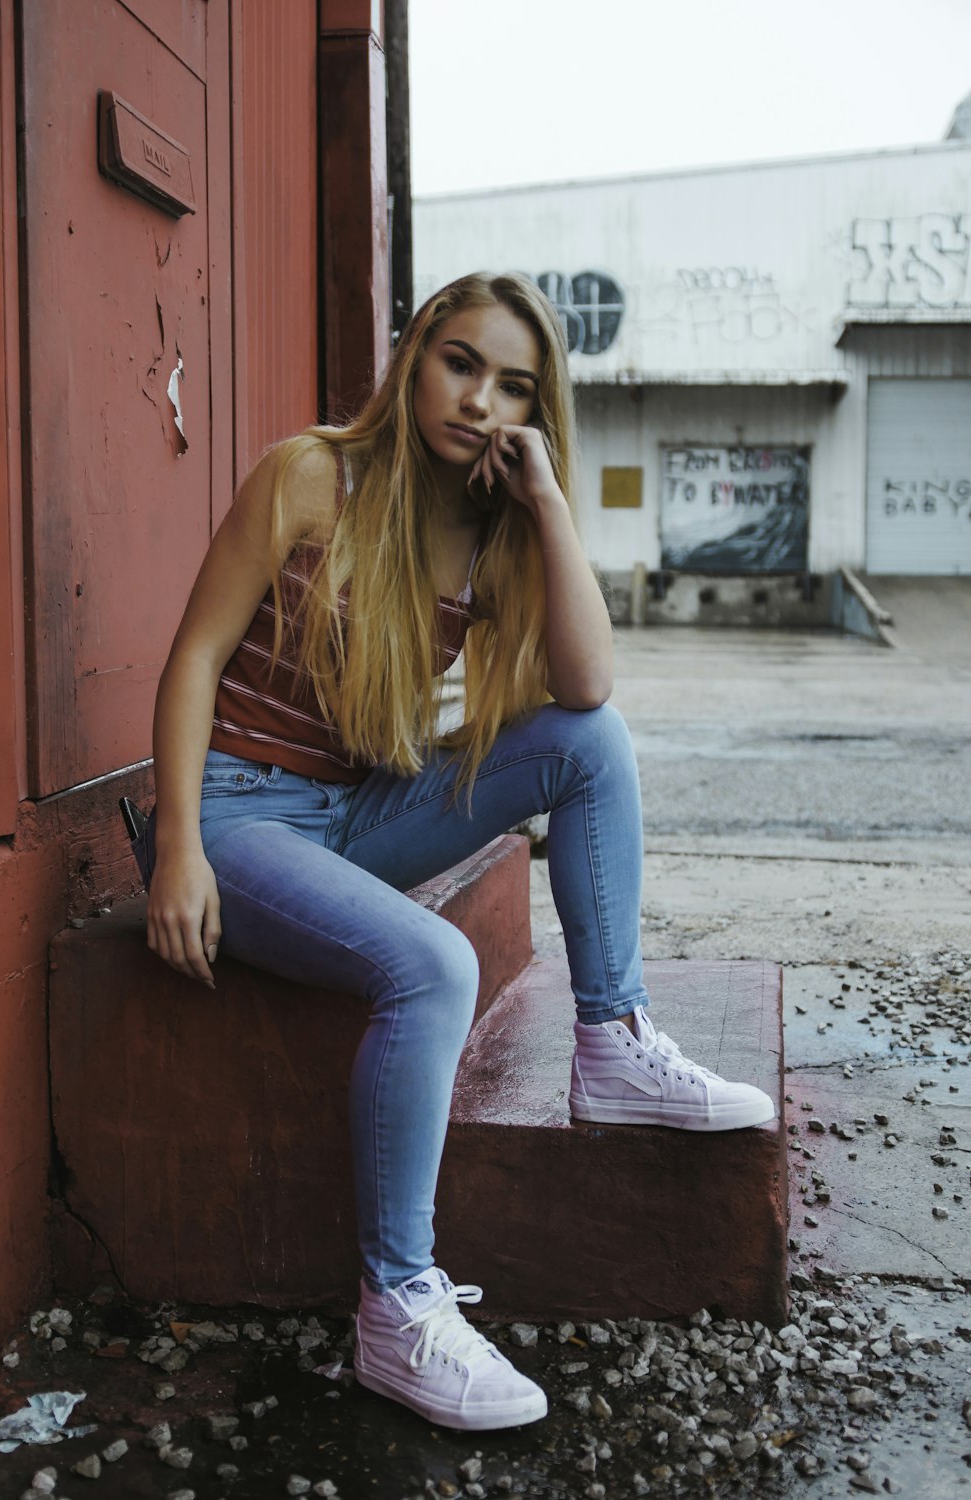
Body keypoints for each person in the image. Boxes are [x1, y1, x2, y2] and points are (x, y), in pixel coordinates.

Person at [144, 271, 775, 1433]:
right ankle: (394, 1309)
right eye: (461, 364)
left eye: (515, 388)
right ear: (414, 352)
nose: (480, 401)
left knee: (590, 741)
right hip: (236, 816)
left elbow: (583, 685)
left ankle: (613, 1040)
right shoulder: (307, 476)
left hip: (351, 809)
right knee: (431, 965)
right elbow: (192, 658)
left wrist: (547, 508)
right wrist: (180, 848)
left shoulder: (486, 528)